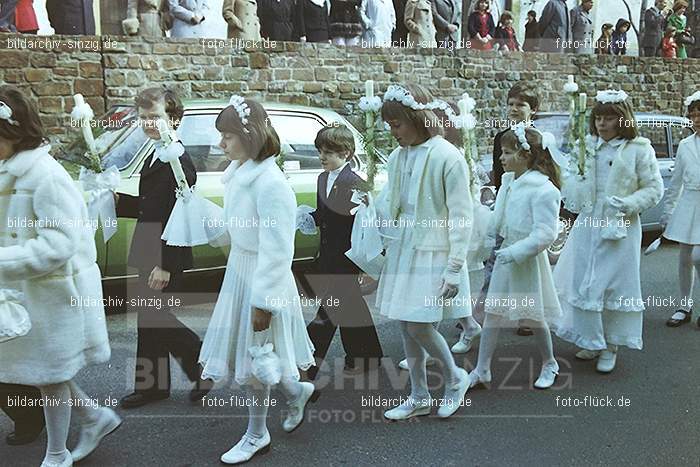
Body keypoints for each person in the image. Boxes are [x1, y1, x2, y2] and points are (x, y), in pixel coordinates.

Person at [0, 86, 121, 467]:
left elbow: (59, 244)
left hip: (55, 292)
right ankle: (92, 416)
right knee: (45, 369)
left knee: (51, 372)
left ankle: (57, 454)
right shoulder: (11, 170)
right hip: (27, 292)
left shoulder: (45, 176)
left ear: (14, 133)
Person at [198, 96, 317, 464]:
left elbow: (279, 249)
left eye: (228, 137)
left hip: (264, 278)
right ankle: (297, 391)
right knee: (260, 354)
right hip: (241, 270)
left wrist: (264, 302)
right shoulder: (240, 174)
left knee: (257, 357)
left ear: (249, 136)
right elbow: (239, 229)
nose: (221, 145)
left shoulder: (270, 183)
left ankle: (256, 433)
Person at [377, 84, 473, 420]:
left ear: (417, 118)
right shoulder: (397, 156)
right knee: (406, 324)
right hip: (406, 247)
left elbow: (462, 215)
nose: (393, 133)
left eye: (397, 125)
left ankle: (454, 378)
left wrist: (455, 266)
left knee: (419, 325)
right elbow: (394, 203)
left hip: (434, 251)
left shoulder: (448, 156)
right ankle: (419, 393)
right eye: (389, 126)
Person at [554, 90, 664, 374]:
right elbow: (573, 181)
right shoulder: (587, 146)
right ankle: (591, 339)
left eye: (609, 119)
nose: (602, 124)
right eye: (598, 118)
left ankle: (611, 345)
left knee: (612, 283)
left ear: (622, 120)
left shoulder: (639, 148)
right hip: (589, 223)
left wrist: (628, 204)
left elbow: (654, 189)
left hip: (620, 225)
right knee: (585, 280)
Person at [115, 87, 211, 409]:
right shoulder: (158, 151)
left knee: (155, 317)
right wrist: (117, 201)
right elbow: (152, 205)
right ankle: (154, 386)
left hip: (165, 253)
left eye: (155, 117)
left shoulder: (178, 159)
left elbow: (180, 213)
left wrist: (166, 264)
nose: (148, 123)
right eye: (143, 118)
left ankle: (201, 364)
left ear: (174, 119)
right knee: (150, 317)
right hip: (148, 246)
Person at [467, 124, 562, 392]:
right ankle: (482, 368)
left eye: (507, 153)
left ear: (525, 155)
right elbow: (500, 218)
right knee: (493, 313)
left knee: (533, 316)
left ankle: (550, 362)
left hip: (526, 260)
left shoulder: (544, 190)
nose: (501, 158)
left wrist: (515, 252)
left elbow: (545, 233)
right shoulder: (510, 183)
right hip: (505, 256)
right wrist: (490, 237)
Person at [304, 124, 383, 379]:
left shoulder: (356, 183)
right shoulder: (321, 178)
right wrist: (307, 219)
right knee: (351, 307)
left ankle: (305, 360)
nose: (322, 157)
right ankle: (367, 356)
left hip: (347, 258)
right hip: (327, 257)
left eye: (328, 152)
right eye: (320, 152)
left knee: (329, 311)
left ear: (347, 153)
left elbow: (364, 226)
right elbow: (324, 216)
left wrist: (364, 265)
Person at [473, 81, 541, 340]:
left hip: (529, 206)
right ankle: (480, 316)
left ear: (532, 110)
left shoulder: (538, 138)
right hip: (505, 202)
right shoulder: (501, 136)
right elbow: (499, 172)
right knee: (495, 260)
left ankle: (527, 316)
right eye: (510, 104)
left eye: (520, 105)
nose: (513, 109)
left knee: (528, 263)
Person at [661, 92, 700, 327]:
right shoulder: (685, 145)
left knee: (699, 256)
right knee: (684, 257)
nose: (697, 119)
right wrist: (667, 212)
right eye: (693, 115)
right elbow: (676, 182)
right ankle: (684, 305)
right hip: (689, 203)